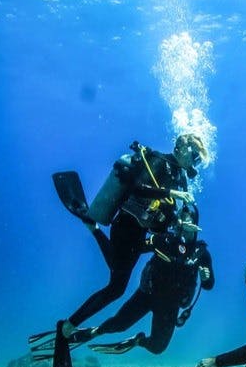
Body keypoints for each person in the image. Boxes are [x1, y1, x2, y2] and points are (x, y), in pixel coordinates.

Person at [58, 133, 210, 340]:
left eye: (198, 159)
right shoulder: (159, 162)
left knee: (116, 279)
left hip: (140, 231)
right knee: (116, 286)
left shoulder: (179, 176)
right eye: (194, 156)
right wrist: (171, 194)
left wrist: (178, 222)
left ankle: (93, 229)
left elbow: (166, 210)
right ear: (182, 148)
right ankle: (68, 325)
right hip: (126, 227)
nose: (195, 162)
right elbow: (136, 187)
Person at [68, 204, 215, 354]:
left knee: (158, 348)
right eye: (179, 220)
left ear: (195, 224)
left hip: (170, 305)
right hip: (147, 295)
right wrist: (99, 231)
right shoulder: (163, 239)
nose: (181, 225)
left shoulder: (201, 253)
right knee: (119, 324)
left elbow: (209, 284)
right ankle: (94, 332)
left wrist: (205, 278)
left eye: (186, 221)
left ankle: (138, 340)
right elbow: (131, 249)